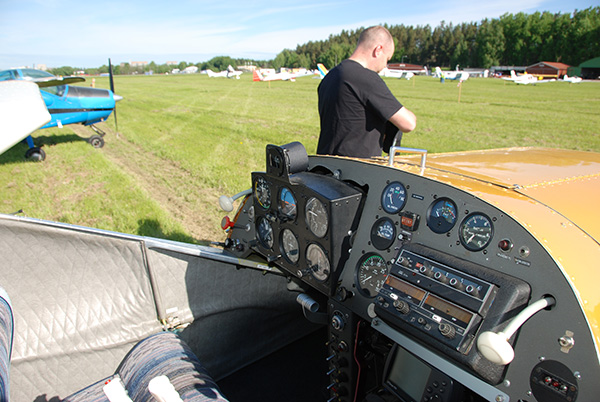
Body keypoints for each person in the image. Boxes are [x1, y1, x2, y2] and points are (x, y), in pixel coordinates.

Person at [317, 25, 417, 158]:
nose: (383, 67)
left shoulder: (330, 77)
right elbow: (408, 123)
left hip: (324, 165)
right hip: (354, 172)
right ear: (378, 49)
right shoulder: (364, 77)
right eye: (387, 59)